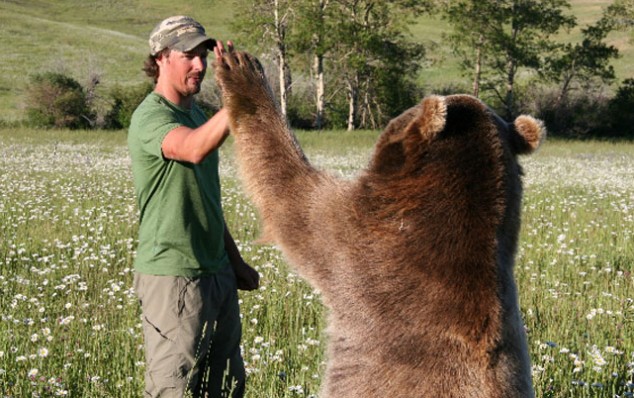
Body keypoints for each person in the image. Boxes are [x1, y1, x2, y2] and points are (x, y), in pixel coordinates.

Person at [127, 15, 259, 398]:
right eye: (188, 55)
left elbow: (208, 203)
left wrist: (234, 263)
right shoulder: (151, 117)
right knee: (175, 388)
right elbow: (193, 148)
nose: (199, 65)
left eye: (203, 55)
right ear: (161, 57)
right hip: (174, 278)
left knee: (224, 387)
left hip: (216, 274)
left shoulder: (199, 115)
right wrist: (237, 99)